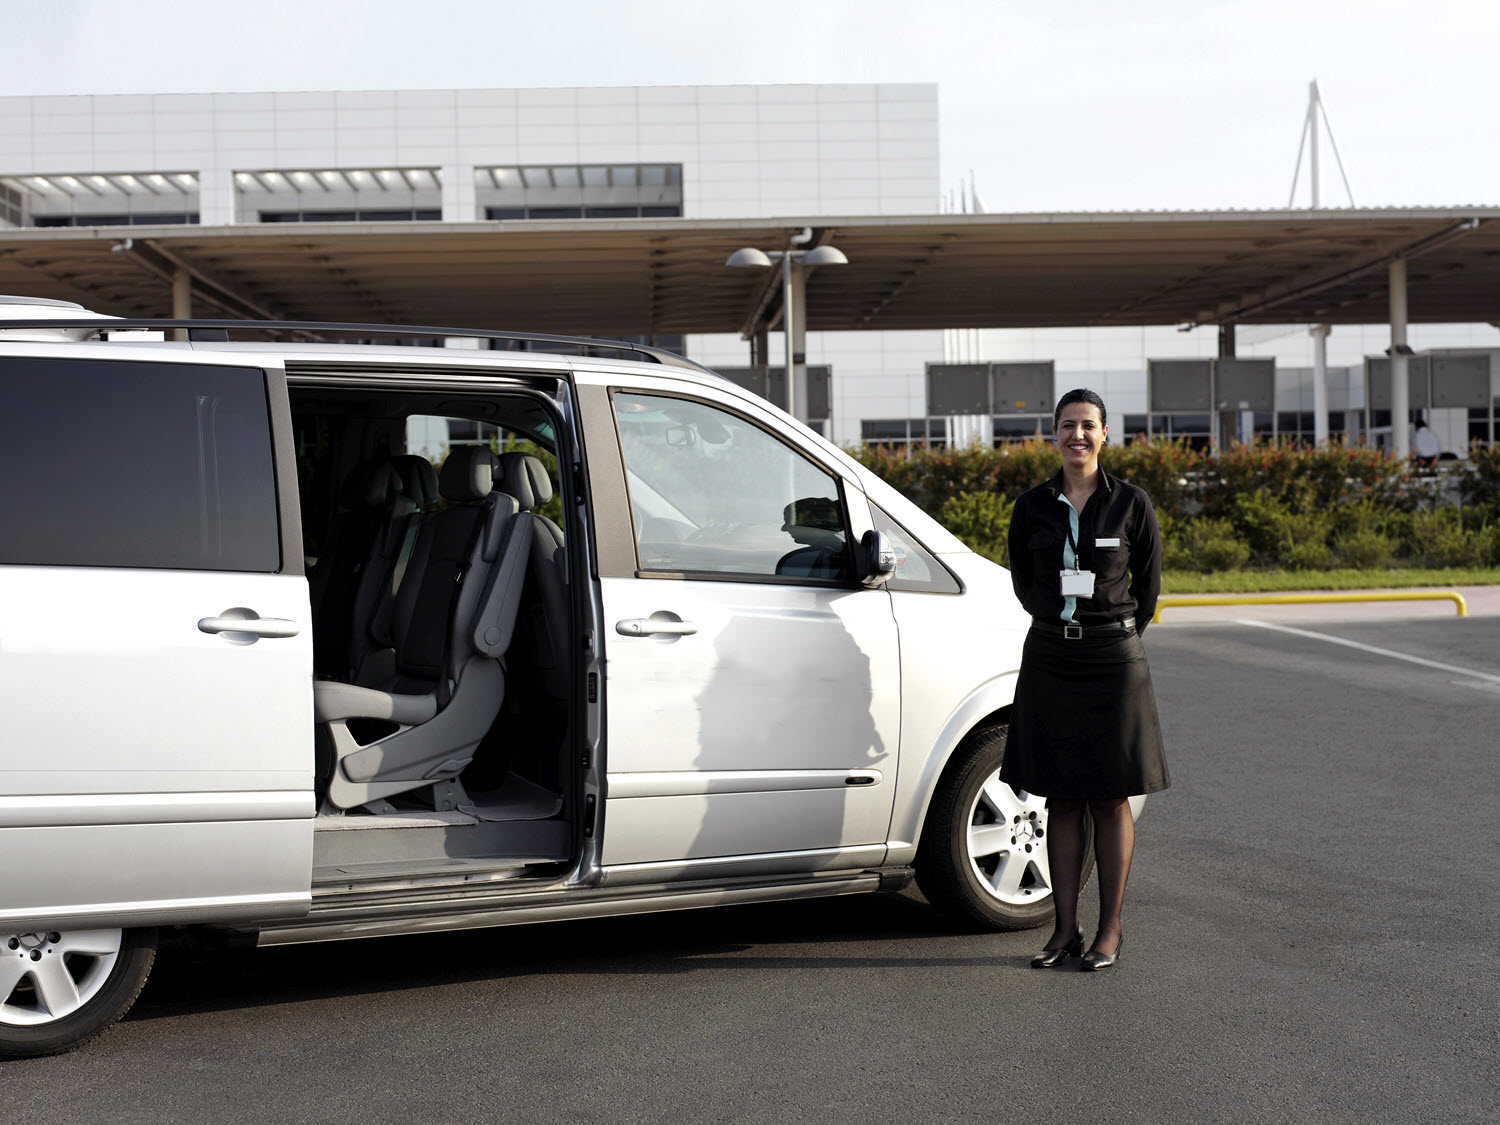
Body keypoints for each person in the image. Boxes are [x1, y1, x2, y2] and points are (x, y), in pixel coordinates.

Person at [1001, 388, 1170, 972]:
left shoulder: (1131, 504)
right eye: (1067, 426)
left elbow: (1147, 585)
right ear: (1054, 435)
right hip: (1051, 656)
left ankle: (1110, 931)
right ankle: (1064, 931)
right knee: (1061, 795)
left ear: (1104, 435)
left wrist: (1116, 631)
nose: (1078, 435)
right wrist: (1056, 617)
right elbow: (1023, 579)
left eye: (1088, 426)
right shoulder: (1032, 505)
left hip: (1113, 660)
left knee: (1109, 794)